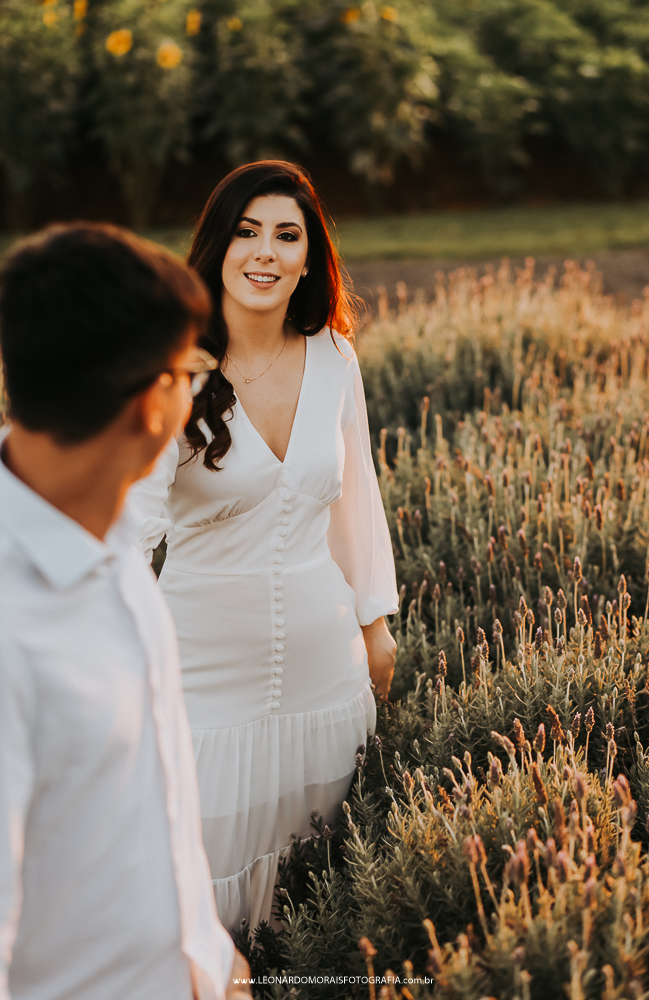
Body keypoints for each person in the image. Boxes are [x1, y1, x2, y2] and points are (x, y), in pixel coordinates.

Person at [130, 160, 399, 932]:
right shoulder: (169, 372)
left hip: (328, 680)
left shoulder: (334, 358)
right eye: (246, 232)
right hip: (201, 688)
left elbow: (358, 502)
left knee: (316, 898)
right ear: (216, 247)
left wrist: (374, 625)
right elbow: (124, 536)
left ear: (310, 257)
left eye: (287, 235)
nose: (265, 253)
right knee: (189, 897)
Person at [0, 223, 252, 1000]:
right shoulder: (13, 631)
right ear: (153, 403)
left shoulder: (106, 534)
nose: (199, 386)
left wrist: (211, 960)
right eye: (191, 369)